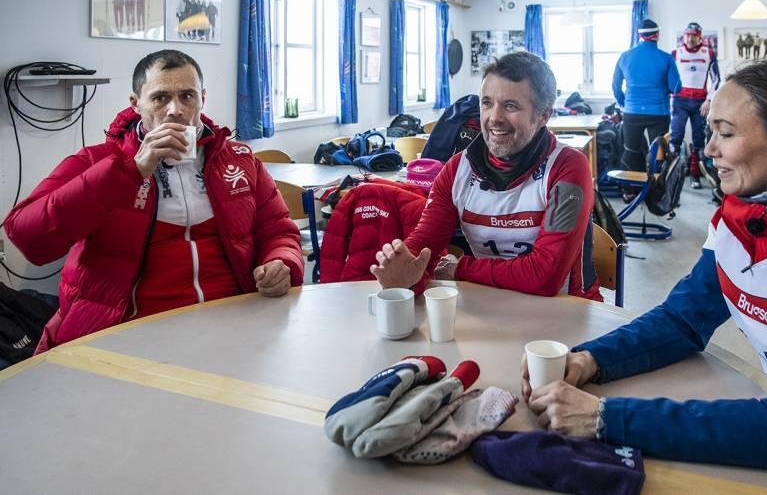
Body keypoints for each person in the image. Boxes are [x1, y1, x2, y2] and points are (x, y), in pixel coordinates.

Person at [522, 59, 767, 493]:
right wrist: (590, 359)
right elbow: (682, 320)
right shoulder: (743, 214)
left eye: (726, 132)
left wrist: (604, 417)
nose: (709, 149)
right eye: (710, 130)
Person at [3, 49, 303, 353]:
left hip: (232, 323)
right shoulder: (98, 161)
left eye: (187, 96)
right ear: (136, 104)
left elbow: (278, 231)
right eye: (160, 98)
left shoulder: (239, 160)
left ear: (202, 99)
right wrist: (130, 171)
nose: (176, 110)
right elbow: (29, 239)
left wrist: (280, 261)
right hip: (130, 334)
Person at [370, 51, 600, 300]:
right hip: (490, 304)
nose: (494, 118)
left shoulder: (568, 167)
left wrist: (459, 268)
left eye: (510, 106)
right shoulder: (457, 169)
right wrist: (405, 270)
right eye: (487, 103)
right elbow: (423, 247)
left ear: (543, 115)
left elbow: (545, 276)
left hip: (566, 311)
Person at [611, 19, 681, 177]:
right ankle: (656, 187)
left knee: (631, 150)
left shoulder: (625, 56)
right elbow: (675, 87)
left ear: (639, 36)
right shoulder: (666, 58)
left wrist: (624, 101)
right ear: (657, 35)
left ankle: (629, 190)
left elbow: (616, 85)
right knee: (659, 152)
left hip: (632, 111)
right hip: (659, 112)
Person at [670, 22, 720, 189]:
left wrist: (709, 100)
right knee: (676, 137)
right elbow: (668, 78)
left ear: (700, 37)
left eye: (694, 35)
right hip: (680, 100)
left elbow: (716, 80)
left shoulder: (708, 53)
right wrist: (670, 99)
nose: (690, 39)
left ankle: (695, 175)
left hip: (700, 102)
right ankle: (673, 175)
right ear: (684, 36)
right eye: (688, 35)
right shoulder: (676, 53)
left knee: (699, 139)